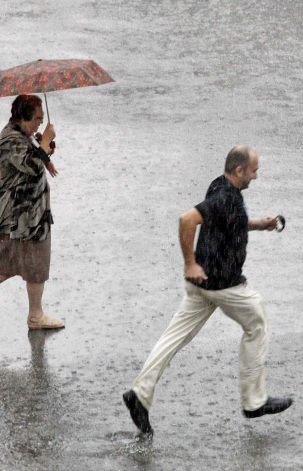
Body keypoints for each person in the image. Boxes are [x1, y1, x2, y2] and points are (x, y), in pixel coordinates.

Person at [123, 145, 292, 435]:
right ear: (239, 170)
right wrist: (189, 262)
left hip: (201, 284)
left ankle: (139, 394)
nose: (256, 176)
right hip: (222, 282)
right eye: (254, 171)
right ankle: (254, 401)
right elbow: (187, 220)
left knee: (173, 337)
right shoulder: (226, 196)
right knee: (258, 323)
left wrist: (257, 225)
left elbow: (228, 221)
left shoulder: (220, 185)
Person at [0, 94, 64, 330]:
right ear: (24, 117)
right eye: (37, 118)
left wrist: (45, 149)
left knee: (10, 261)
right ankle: (35, 315)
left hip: (26, 213)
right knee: (32, 260)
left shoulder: (21, 135)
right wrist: (45, 142)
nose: (40, 122)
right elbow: (30, 165)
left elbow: (37, 159)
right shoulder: (11, 138)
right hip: (22, 216)